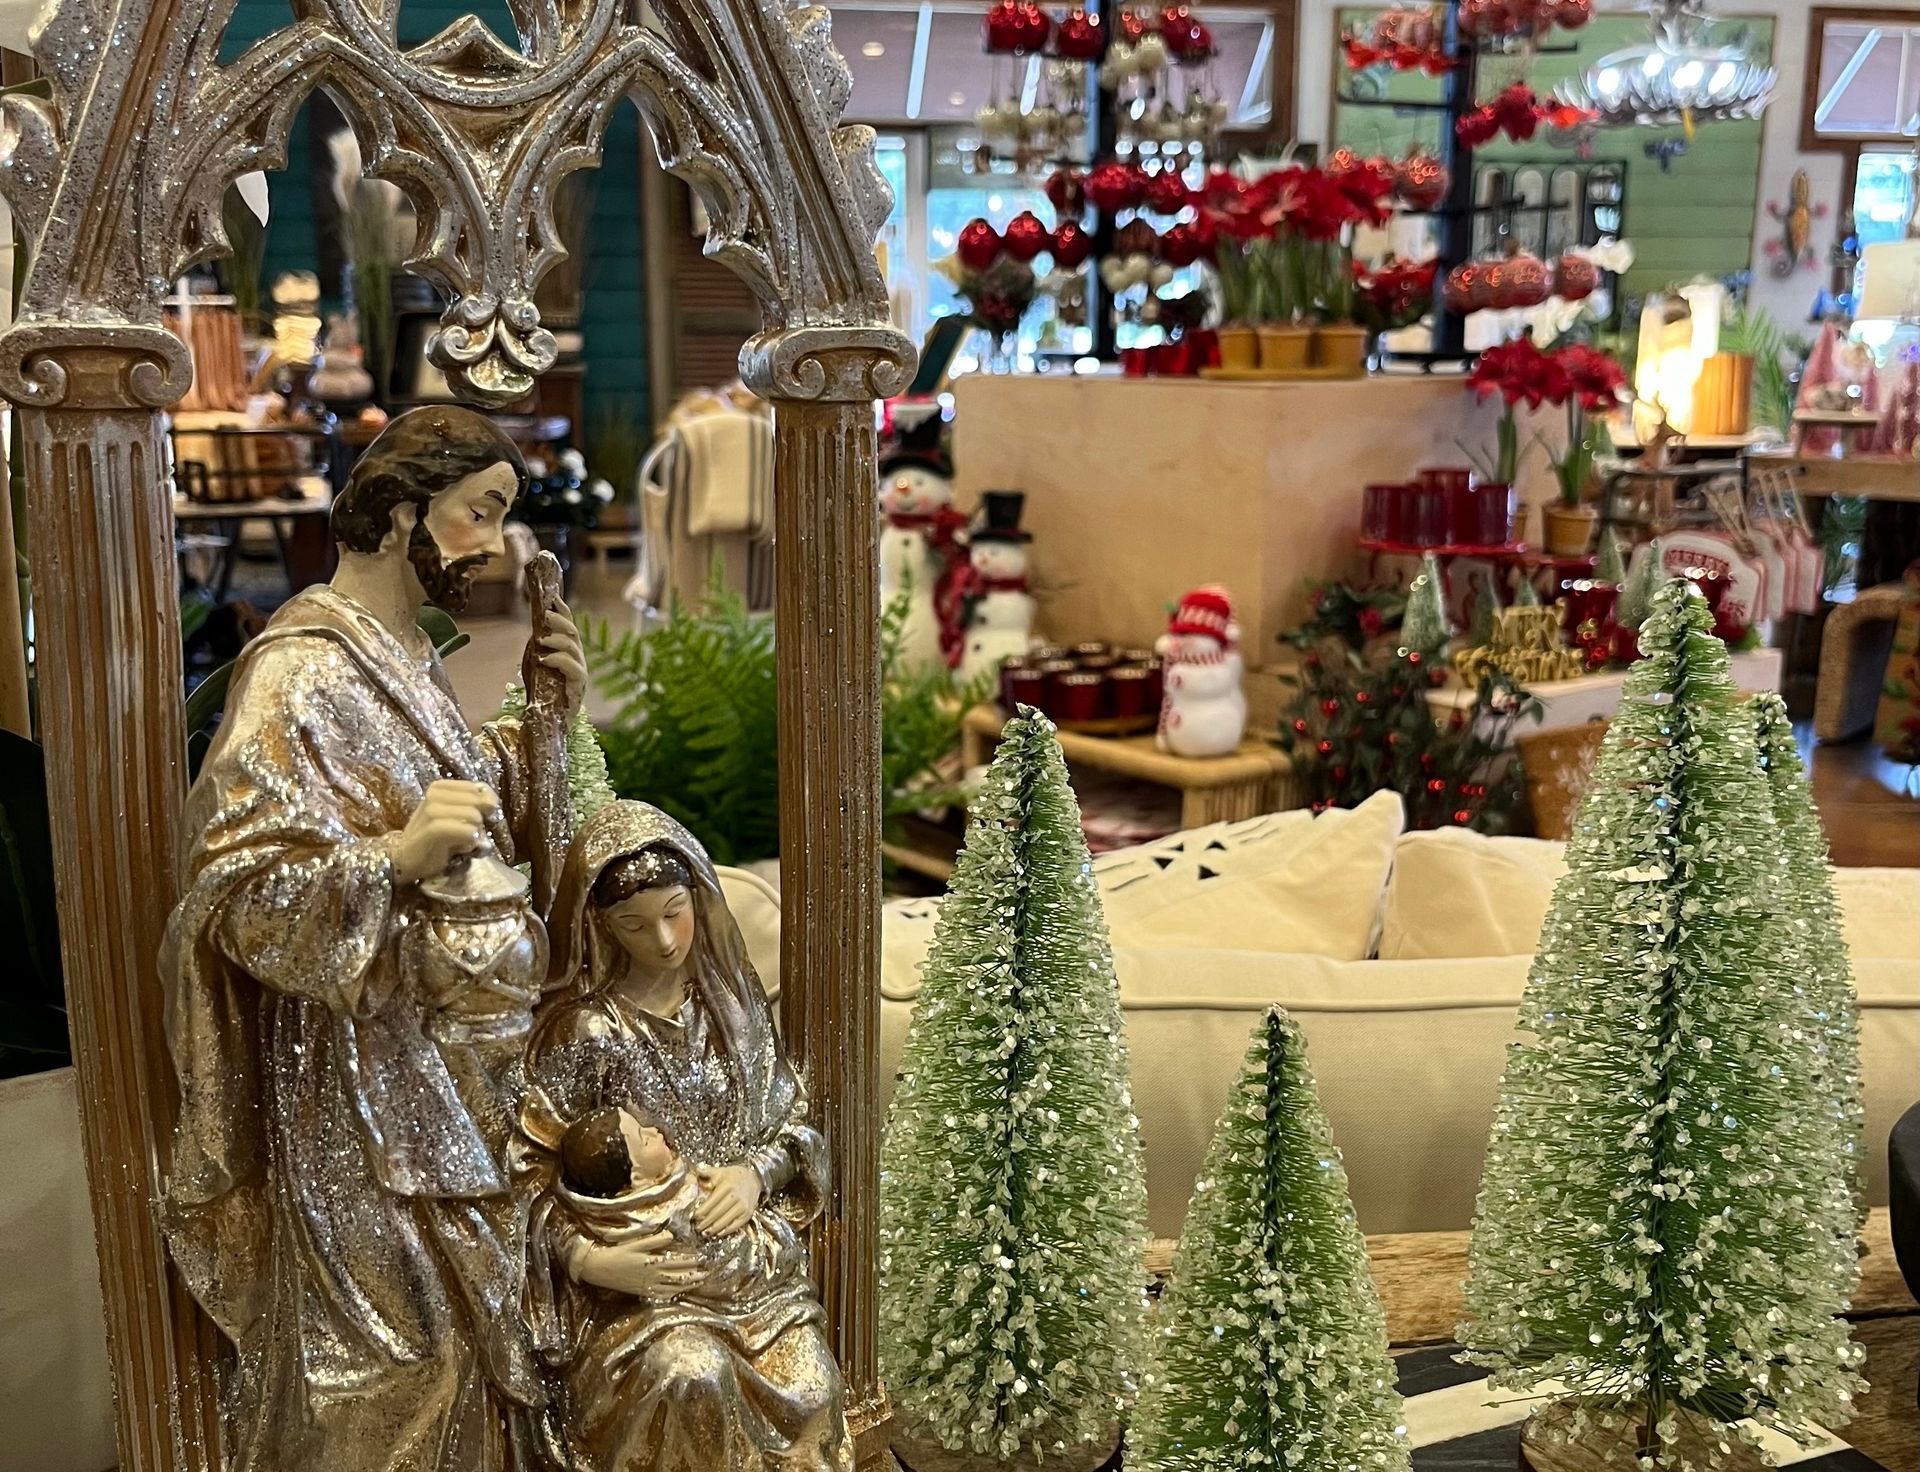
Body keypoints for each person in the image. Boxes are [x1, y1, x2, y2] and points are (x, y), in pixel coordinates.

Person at [162, 406, 586, 1472]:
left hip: (453, 1071)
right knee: (397, 1358)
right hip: (357, 1089)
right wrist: (389, 861)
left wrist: (543, 723)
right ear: (402, 513)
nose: (495, 541)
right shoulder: (297, 674)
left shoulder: (401, 653)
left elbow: (473, 821)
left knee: (468, 1341)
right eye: (480, 511)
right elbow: (238, 892)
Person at [517, 801, 851, 1472]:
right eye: (635, 926)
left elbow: (796, 1127)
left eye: (675, 911)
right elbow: (523, 1176)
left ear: (699, 896)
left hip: (753, 1281)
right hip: (638, 1293)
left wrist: (755, 1173)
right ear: (602, 929)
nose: (666, 941)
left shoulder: (733, 1012)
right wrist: (589, 1261)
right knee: (691, 1373)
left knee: (814, 1389)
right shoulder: (585, 1034)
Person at [555, 1104, 811, 1313]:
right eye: (645, 1140)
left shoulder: (680, 1185)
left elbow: (801, 1130)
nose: (656, 1131)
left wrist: (759, 1172)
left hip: (767, 1293)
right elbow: (526, 1196)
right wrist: (586, 1260)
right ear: (636, 1180)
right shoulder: (652, 1215)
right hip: (655, 1308)